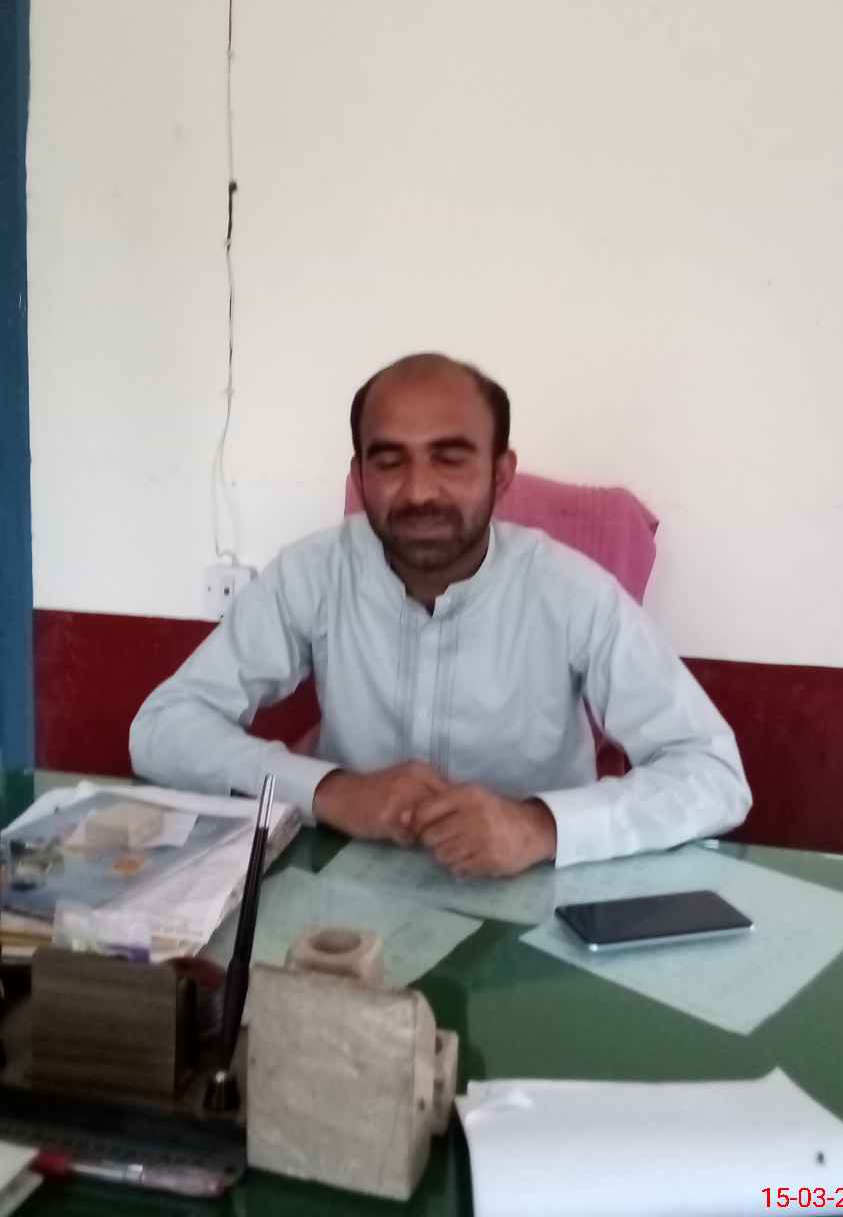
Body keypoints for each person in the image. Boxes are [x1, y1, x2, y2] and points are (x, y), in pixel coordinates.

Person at [130, 353, 750, 875]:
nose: (420, 491)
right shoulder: (313, 574)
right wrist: (329, 791)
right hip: (346, 887)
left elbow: (713, 774)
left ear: (500, 475)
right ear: (360, 476)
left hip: (536, 899)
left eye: (450, 458)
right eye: (389, 461)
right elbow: (162, 728)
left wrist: (540, 827)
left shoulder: (571, 590)